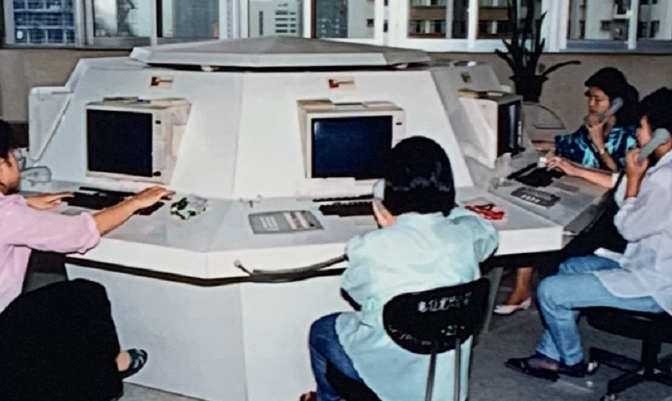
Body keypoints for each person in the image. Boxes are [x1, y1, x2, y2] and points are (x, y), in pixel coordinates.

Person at [301, 137, 499, 401]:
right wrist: (451, 208)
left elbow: (355, 290)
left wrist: (386, 219)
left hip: (386, 377)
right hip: (442, 381)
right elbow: (486, 231)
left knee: (322, 329)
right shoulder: (468, 235)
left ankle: (328, 399)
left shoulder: (371, 245)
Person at [504, 87, 672, 381]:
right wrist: (577, 170)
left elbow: (629, 228)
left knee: (550, 291)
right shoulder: (664, 171)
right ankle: (549, 356)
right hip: (650, 264)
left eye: (642, 127)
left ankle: (572, 362)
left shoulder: (665, 181)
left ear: (662, 136)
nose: (637, 134)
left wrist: (633, 180)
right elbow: (622, 183)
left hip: (657, 284)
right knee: (571, 267)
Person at [0, 120, 174, 401]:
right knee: (83, 296)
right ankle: (107, 378)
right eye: (13, 154)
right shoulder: (8, 216)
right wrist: (133, 202)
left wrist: (24, 203)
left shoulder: (9, 211)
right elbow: (79, 233)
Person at [496, 68, 639, 315]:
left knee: (552, 227)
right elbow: (565, 144)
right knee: (535, 210)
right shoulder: (592, 127)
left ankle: (523, 286)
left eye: (598, 99)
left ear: (616, 103)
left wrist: (599, 144)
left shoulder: (628, 134)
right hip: (587, 194)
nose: (592, 105)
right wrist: (523, 146)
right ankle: (521, 285)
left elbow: (622, 178)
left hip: (611, 209)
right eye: (589, 98)